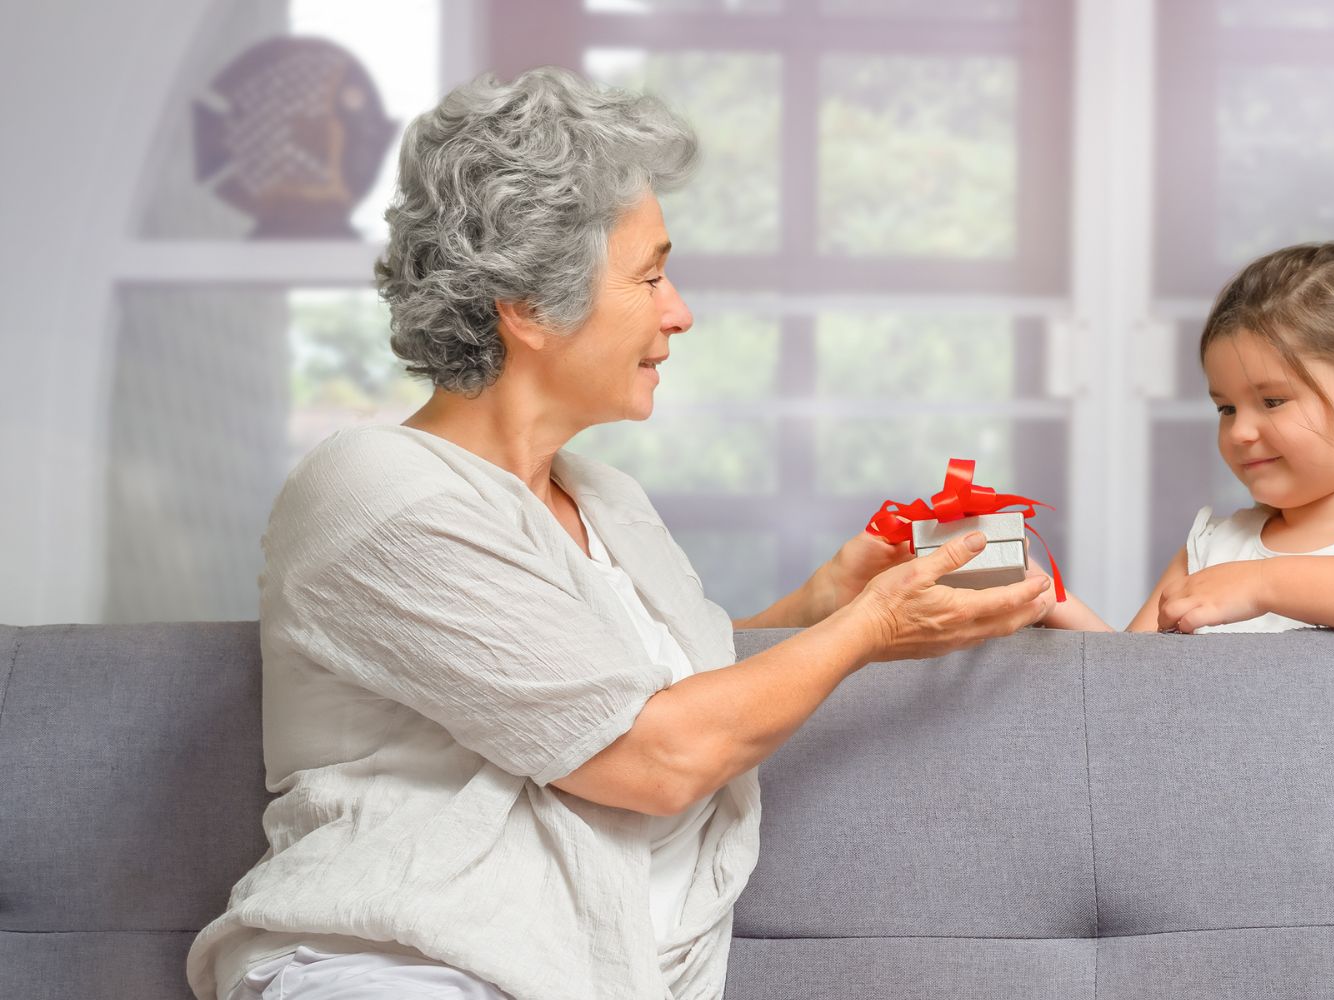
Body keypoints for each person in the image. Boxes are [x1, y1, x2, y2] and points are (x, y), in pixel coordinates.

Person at [186, 67, 1055, 1000]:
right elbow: (653, 756)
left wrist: (821, 603)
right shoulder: (374, 492)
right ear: (526, 305)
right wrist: (870, 629)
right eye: (650, 274)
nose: (680, 310)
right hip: (406, 970)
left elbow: (627, 695)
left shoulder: (607, 501)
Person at [1042, 241, 1334, 637]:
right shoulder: (1210, 550)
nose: (1239, 431)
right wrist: (1045, 598)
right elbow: (1126, 684)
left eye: (1273, 401)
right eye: (1226, 408)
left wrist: (1263, 584)